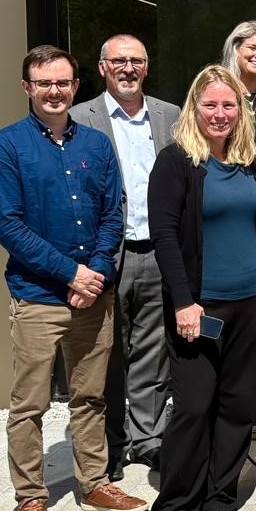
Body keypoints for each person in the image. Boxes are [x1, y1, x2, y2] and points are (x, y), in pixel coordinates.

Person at [0, 45, 146, 511]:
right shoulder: (5, 147)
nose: (53, 91)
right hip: (37, 295)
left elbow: (113, 214)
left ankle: (93, 482)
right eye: (43, 83)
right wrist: (70, 273)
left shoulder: (96, 145)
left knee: (91, 396)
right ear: (27, 88)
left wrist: (94, 272)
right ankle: (30, 498)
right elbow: (7, 225)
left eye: (62, 82)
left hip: (93, 295)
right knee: (29, 404)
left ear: (76, 86)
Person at [147, 65, 256, 511]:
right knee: (194, 406)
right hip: (199, 310)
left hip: (251, 306)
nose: (220, 113)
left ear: (240, 111)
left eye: (229, 105)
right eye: (211, 105)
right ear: (194, 108)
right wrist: (184, 302)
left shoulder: (247, 162)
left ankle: (220, 496)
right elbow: (164, 236)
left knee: (239, 405)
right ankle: (174, 507)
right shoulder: (176, 161)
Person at [71, 35, 180, 480]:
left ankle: (148, 438)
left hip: (157, 250)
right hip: (105, 254)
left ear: (147, 67)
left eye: (136, 60)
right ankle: (111, 443)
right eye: (119, 61)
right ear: (102, 67)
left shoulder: (170, 115)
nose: (128, 68)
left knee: (153, 350)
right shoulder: (80, 117)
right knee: (106, 352)